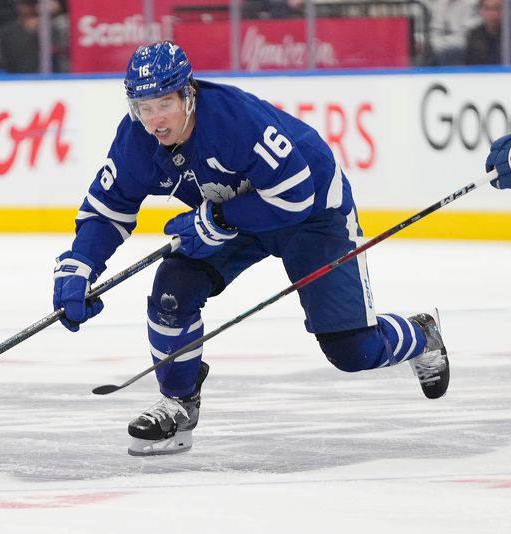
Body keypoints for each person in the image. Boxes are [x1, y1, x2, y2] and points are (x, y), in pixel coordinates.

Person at [52, 41, 454, 457]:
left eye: (164, 104)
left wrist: (219, 220)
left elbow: (296, 195)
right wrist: (80, 262)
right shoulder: (137, 138)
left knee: (353, 351)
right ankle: (178, 403)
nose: (154, 120)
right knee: (174, 288)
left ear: (188, 94)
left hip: (312, 214)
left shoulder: (233, 120)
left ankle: (421, 334)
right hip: (236, 214)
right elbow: (108, 208)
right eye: (143, 106)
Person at [464, 0, 505, 64]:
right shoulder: (474, 36)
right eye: (487, 9)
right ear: (480, 11)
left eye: (497, 8)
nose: (492, 13)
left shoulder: (507, 35)